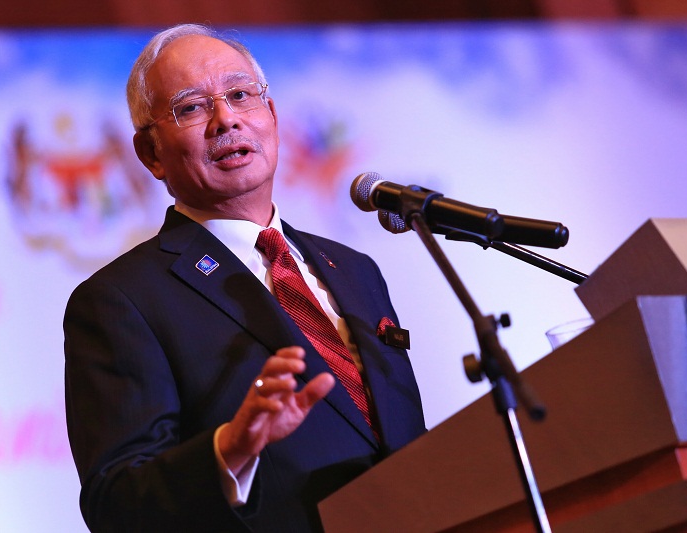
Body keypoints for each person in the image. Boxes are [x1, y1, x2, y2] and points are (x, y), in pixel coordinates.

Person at [64, 23, 426, 533]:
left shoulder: (358, 271)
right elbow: (116, 503)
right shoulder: (120, 300)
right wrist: (229, 450)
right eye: (191, 107)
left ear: (272, 115)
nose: (226, 119)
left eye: (239, 95)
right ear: (150, 153)